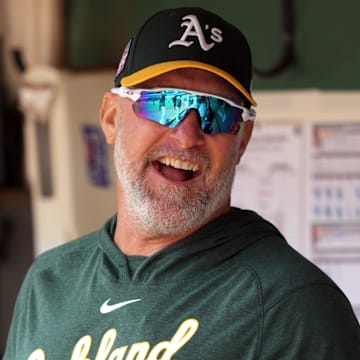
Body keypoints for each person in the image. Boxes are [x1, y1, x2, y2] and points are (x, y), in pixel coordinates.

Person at [4, 7, 360, 360]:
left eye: (216, 112)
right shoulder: (48, 282)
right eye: (162, 103)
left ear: (242, 140)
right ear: (112, 118)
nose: (187, 135)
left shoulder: (292, 306)